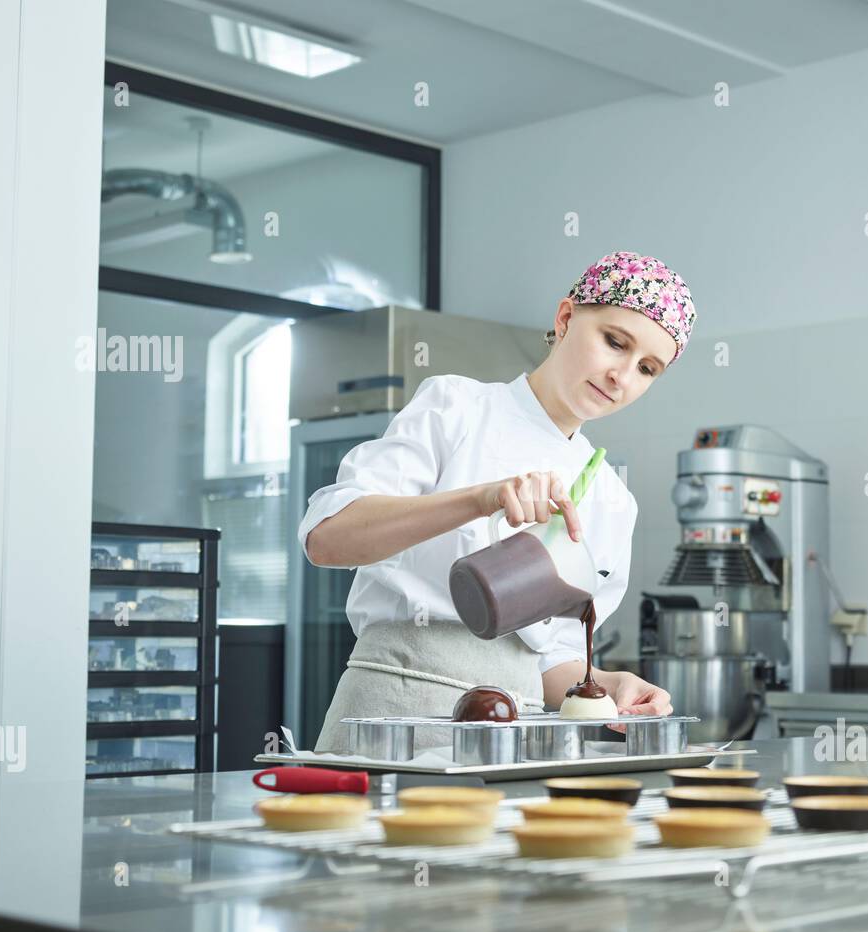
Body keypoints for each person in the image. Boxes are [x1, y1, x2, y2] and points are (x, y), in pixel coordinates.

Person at [299, 250, 697, 752]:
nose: (622, 375)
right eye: (614, 342)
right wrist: (481, 498)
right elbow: (328, 540)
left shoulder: (612, 498)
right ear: (567, 317)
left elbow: (552, 663)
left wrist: (607, 685)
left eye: (647, 368)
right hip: (394, 707)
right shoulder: (456, 408)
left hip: (515, 731)